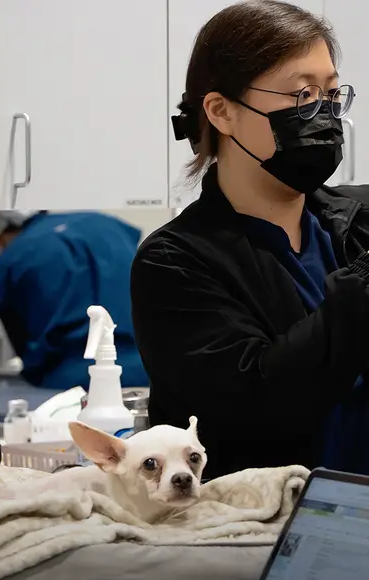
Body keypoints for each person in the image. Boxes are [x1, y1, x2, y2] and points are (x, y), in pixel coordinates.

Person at [131, 0, 369, 479]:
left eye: (330, 93)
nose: (322, 113)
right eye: (301, 94)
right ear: (221, 111)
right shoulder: (174, 263)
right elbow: (260, 402)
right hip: (264, 534)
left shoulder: (356, 222)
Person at [0, 210, 148, 389]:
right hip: (146, 369)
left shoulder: (16, 254)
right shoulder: (108, 226)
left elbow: (10, 318)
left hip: (70, 381)